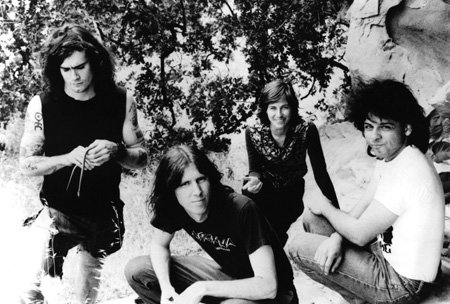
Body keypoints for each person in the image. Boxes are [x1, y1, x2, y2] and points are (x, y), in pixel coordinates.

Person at [19, 24, 148, 304]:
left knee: (85, 300)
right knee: (27, 291)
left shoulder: (121, 100)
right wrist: (65, 159)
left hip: (104, 216)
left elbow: (142, 157)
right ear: (57, 69)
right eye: (66, 70)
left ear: (96, 62)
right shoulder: (42, 105)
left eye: (80, 67)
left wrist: (118, 152)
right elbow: (25, 164)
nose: (74, 77)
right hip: (57, 213)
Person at [286, 79, 445, 304]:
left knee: (296, 247)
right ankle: (362, 294)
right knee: (314, 218)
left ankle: (361, 299)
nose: (374, 136)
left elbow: (360, 234)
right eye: (369, 127)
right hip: (384, 253)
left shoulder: (409, 169)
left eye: (385, 127)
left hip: (403, 282)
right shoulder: (391, 158)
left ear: (407, 128)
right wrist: (336, 238)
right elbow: (360, 208)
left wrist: (326, 206)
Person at [125, 145, 298, 304]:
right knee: (137, 270)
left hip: (276, 295)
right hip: (230, 277)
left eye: (201, 179)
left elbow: (268, 286)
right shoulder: (174, 206)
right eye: (185, 184)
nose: (197, 192)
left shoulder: (242, 209)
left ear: (210, 179)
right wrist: (166, 287)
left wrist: (202, 288)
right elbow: (158, 245)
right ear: (172, 189)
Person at [242, 79, 339, 245]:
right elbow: (255, 169)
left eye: (284, 107)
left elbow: (321, 173)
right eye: (273, 108)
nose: (278, 114)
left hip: (291, 193)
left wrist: (337, 214)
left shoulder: (306, 130)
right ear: (265, 109)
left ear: (292, 108)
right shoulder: (253, 132)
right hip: (265, 191)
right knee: (262, 228)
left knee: (276, 234)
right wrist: (255, 179)